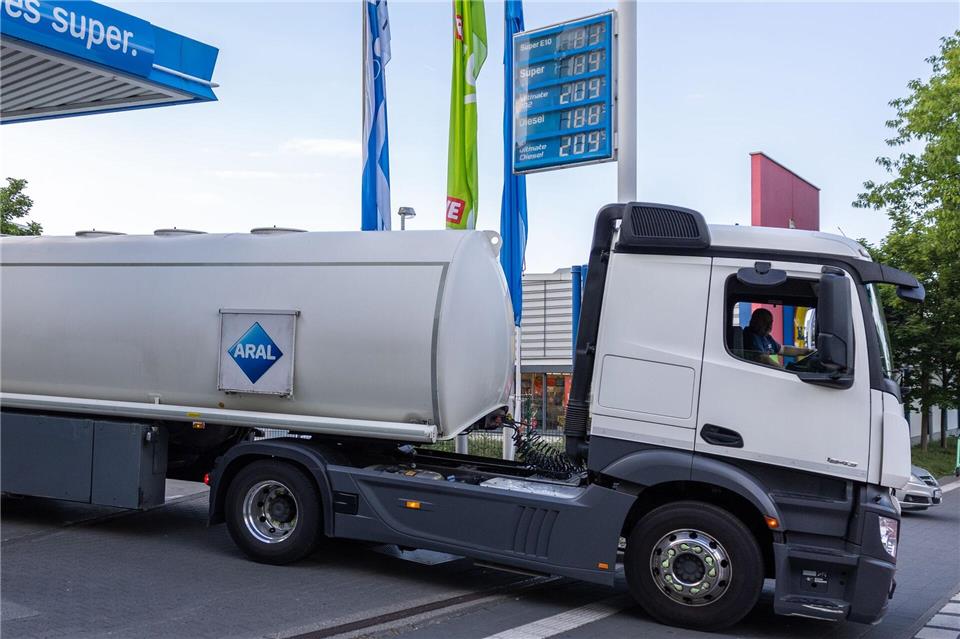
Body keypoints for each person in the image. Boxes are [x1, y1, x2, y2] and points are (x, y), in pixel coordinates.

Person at [743, 308, 812, 366]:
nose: (769, 326)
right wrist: (783, 370)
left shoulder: (765, 336)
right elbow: (762, 359)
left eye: (770, 322)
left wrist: (807, 351)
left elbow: (783, 349)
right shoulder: (750, 336)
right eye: (765, 322)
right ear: (754, 321)